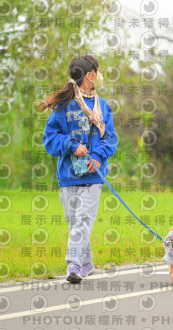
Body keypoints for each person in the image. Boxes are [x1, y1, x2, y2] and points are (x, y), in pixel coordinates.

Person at [40, 55, 118, 283]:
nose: (99, 75)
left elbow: (111, 138)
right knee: (75, 223)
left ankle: (73, 264)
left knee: (83, 220)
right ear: (89, 76)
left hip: (94, 176)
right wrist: (71, 145)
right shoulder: (63, 107)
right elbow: (50, 138)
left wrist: (98, 156)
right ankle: (87, 263)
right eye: (96, 71)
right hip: (68, 175)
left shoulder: (104, 107)